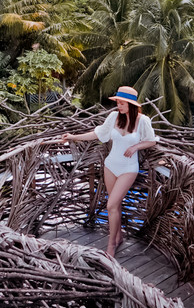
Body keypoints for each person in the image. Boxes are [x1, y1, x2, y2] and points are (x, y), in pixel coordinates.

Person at [61, 86, 157, 256]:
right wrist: (73, 137)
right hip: (110, 165)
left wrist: (136, 146)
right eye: (117, 103)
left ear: (131, 105)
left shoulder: (143, 121)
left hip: (129, 168)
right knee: (115, 205)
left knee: (111, 204)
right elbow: (98, 134)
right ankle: (118, 236)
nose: (118, 106)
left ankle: (111, 245)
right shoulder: (113, 117)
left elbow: (151, 141)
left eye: (122, 103)